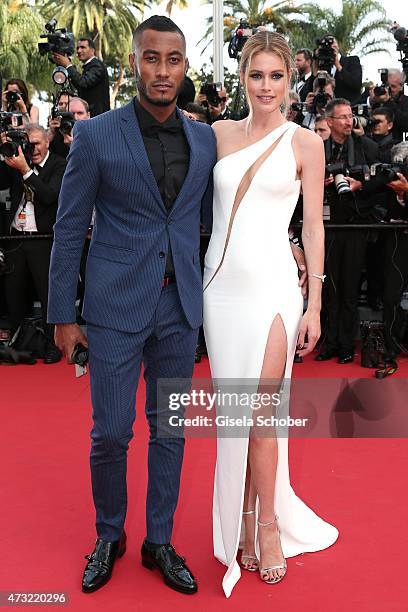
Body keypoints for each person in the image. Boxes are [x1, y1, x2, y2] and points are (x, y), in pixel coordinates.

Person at [47, 15, 217, 596]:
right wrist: (62, 316)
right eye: (151, 59)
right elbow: (69, 228)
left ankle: (159, 541)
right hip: (115, 309)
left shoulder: (204, 138)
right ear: (134, 64)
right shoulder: (96, 136)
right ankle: (110, 533)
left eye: (172, 60)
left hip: (178, 311)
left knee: (170, 432)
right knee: (111, 433)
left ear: (185, 66)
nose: (162, 71)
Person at [203, 31, 338, 598]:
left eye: (276, 76)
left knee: (262, 410)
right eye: (256, 75)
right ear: (242, 77)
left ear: (290, 80)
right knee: (236, 417)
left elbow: (312, 226)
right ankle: (238, 514)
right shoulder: (216, 136)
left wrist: (316, 302)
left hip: (277, 290)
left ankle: (265, 526)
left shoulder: (306, 142)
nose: (266, 86)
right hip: (222, 289)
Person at [0, 125, 67, 363]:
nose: (33, 149)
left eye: (37, 143)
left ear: (48, 142)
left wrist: (26, 171)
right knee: (14, 295)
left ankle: (52, 345)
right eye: (29, 144)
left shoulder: (59, 165)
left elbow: (50, 197)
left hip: (44, 240)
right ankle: (19, 344)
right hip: (16, 239)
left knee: (47, 296)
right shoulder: (17, 163)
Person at [52, 37, 110, 117]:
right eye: (78, 48)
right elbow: (79, 85)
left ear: (92, 50)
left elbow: (83, 83)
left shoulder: (97, 65)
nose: (79, 51)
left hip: (97, 119)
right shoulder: (89, 66)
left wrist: (68, 65)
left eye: (83, 47)